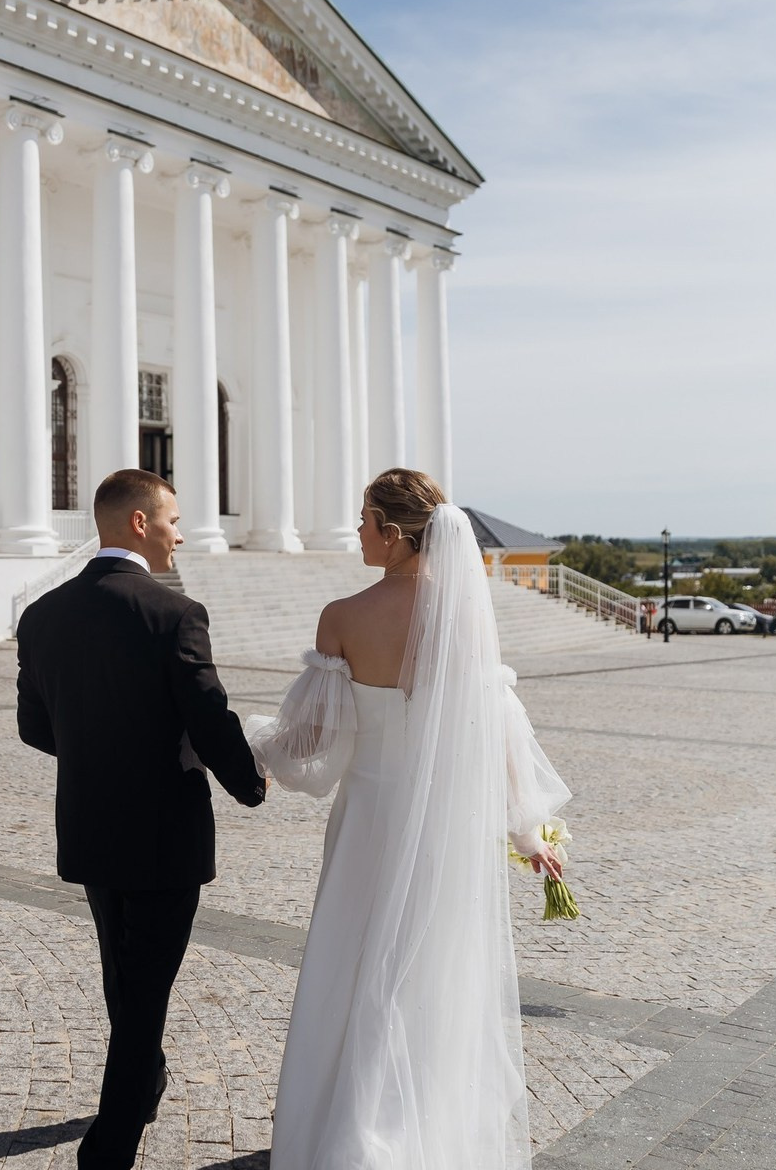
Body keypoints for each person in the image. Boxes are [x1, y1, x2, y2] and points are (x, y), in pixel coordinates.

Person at [248, 468, 572, 1169]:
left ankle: (355, 1135)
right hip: (444, 831)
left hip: (369, 815)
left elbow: (317, 745)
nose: (356, 532)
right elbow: (499, 732)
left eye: (363, 520)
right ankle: (422, 1126)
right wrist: (526, 829)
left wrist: (247, 744)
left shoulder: (343, 616)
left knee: (360, 966)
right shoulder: (464, 616)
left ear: (393, 535)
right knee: (429, 975)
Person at [16, 468, 267, 1170]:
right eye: (174, 520)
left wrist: (102, 749)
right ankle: (108, 1150)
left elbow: (35, 727)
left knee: (124, 976)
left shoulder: (41, 615)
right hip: (163, 833)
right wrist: (251, 781)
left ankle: (146, 1079)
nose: (180, 534)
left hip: (91, 824)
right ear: (138, 523)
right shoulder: (173, 615)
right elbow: (209, 718)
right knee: (145, 990)